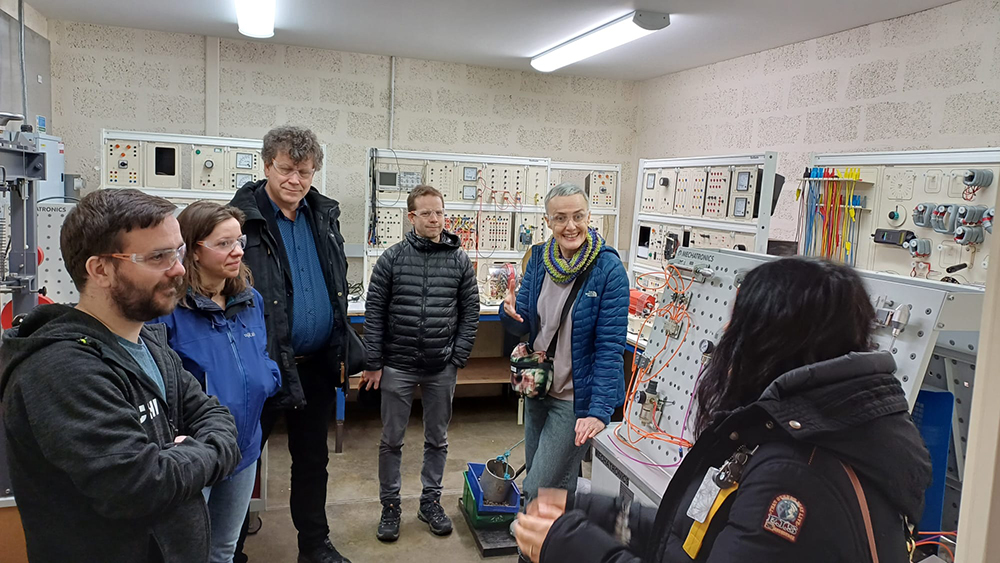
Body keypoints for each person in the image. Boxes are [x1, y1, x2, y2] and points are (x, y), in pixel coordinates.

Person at [513, 258, 935, 563]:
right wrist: (602, 515)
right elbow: (700, 538)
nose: (725, 338)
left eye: (738, 326)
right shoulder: (791, 432)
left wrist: (570, 546)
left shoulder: (796, 473)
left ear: (772, 343)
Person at [0, 189, 241, 563]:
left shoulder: (148, 341)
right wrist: (204, 453)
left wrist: (179, 456)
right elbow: (139, 485)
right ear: (100, 270)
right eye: (158, 257)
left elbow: (218, 418)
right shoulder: (60, 370)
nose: (178, 269)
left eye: (176, 252)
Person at [229, 125, 354, 563]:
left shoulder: (323, 216)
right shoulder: (239, 221)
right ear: (267, 166)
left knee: (311, 460)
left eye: (304, 171)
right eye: (286, 169)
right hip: (257, 365)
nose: (295, 180)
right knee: (240, 462)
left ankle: (314, 546)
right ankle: (230, 551)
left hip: (315, 363)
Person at [151, 201, 281, 563]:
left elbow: (261, 354)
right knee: (186, 553)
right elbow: (160, 383)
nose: (237, 251)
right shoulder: (170, 310)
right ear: (193, 249)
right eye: (224, 244)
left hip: (244, 447)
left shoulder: (249, 299)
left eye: (238, 241)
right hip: (197, 453)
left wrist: (267, 378)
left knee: (224, 548)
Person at [360, 185, 479, 542]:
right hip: (397, 364)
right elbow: (374, 312)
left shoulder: (458, 260)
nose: (435, 219)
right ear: (411, 217)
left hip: (441, 365)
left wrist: (457, 357)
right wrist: (373, 362)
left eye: (439, 212)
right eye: (427, 213)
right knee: (391, 440)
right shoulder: (392, 259)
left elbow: (470, 311)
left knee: (437, 439)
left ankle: (430, 502)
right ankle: (390, 507)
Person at [500, 182, 629, 503]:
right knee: (557, 484)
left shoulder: (608, 269)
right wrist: (510, 313)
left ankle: (528, 551)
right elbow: (525, 325)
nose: (570, 226)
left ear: (589, 216)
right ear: (548, 221)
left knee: (538, 488)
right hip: (539, 388)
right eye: (560, 218)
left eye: (578, 216)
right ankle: (558, 543)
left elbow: (610, 348)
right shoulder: (541, 259)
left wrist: (598, 412)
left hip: (576, 400)